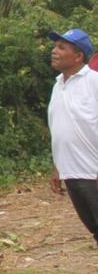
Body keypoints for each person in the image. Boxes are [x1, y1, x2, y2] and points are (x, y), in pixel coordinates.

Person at [46, 28, 98, 245]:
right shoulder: (58, 86)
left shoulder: (93, 82)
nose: (54, 51)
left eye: (61, 47)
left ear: (78, 57)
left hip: (93, 173)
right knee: (94, 229)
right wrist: (57, 167)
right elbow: (59, 129)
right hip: (71, 173)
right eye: (55, 46)